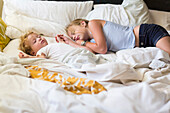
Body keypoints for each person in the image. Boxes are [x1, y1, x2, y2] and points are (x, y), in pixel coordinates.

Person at [56, 19, 170, 55]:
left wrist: (82, 43)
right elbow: (87, 51)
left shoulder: (93, 23)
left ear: (82, 23)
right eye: (72, 36)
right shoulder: (91, 42)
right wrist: (69, 42)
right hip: (143, 45)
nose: (74, 37)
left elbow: (102, 49)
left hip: (146, 33)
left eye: (74, 32)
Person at [18, 32, 106, 68]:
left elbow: (63, 48)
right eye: (35, 41)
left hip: (79, 53)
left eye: (39, 36)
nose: (39, 39)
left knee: (95, 62)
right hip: (71, 59)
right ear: (33, 52)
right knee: (86, 65)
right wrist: (28, 57)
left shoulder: (53, 45)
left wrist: (61, 42)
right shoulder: (41, 51)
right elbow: (41, 59)